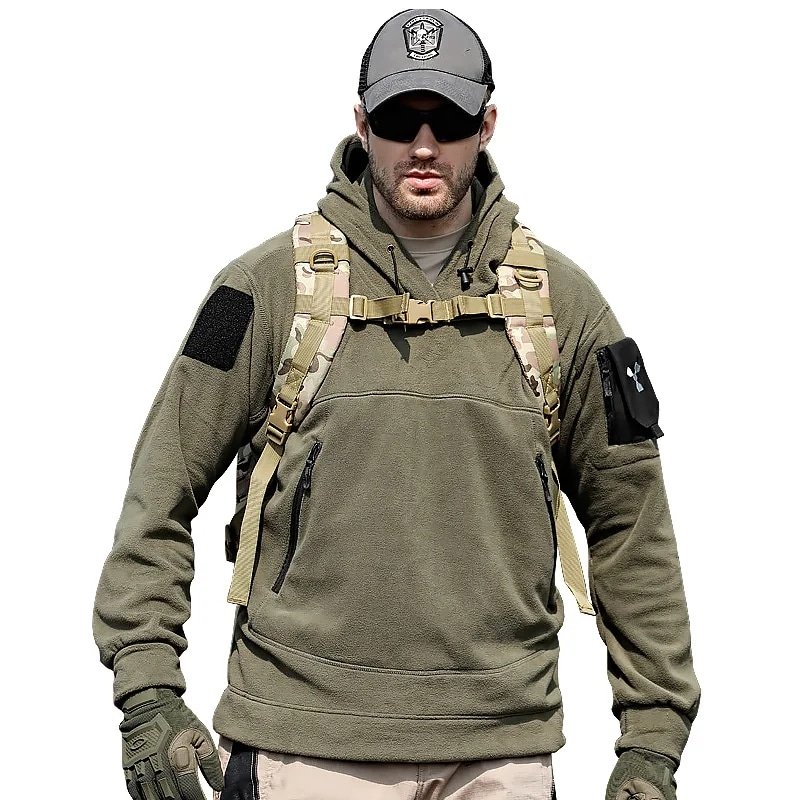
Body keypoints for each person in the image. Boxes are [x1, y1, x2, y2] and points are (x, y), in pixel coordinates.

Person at [93, 8, 701, 800]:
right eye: (397, 119)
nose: (423, 144)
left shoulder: (564, 306)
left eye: (447, 120)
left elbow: (632, 526)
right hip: (302, 750)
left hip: (502, 757)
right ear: (361, 123)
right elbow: (160, 491)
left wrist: (653, 738)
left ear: (486, 125)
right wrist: (147, 690)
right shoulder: (264, 291)